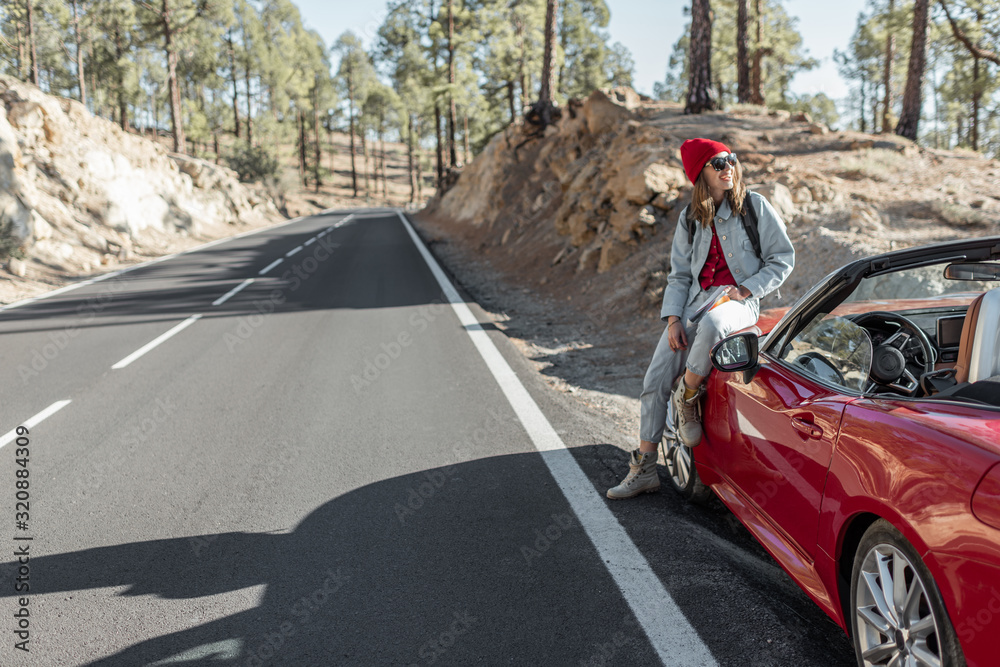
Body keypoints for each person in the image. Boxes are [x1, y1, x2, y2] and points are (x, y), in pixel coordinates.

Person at [607, 138, 795, 500]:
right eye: (719, 163)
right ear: (700, 175)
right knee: (655, 378)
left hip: (738, 302)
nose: (729, 168)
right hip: (694, 304)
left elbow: (783, 259)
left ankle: (688, 397)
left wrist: (745, 289)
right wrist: (673, 318)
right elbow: (678, 275)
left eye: (731, 160)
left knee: (712, 326)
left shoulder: (754, 206)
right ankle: (645, 467)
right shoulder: (690, 219)